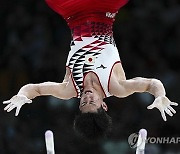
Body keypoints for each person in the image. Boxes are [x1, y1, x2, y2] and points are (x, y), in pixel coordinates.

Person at [3, 0, 178, 142]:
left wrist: (22, 95)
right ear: (104, 105)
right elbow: (151, 84)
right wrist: (160, 96)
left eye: (83, 103)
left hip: (72, 11)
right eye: (91, 102)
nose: (86, 98)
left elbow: (36, 89)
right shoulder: (117, 88)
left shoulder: (69, 89)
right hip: (105, 8)